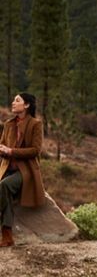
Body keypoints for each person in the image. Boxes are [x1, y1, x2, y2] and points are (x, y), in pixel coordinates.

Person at [0, 93, 45, 247]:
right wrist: (2, 149)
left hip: (25, 171)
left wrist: (11, 151)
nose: (13, 102)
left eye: (17, 100)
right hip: (7, 168)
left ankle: (7, 235)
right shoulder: (8, 124)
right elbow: (3, 145)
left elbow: (35, 150)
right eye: (13, 99)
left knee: (4, 185)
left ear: (26, 105)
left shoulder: (35, 124)